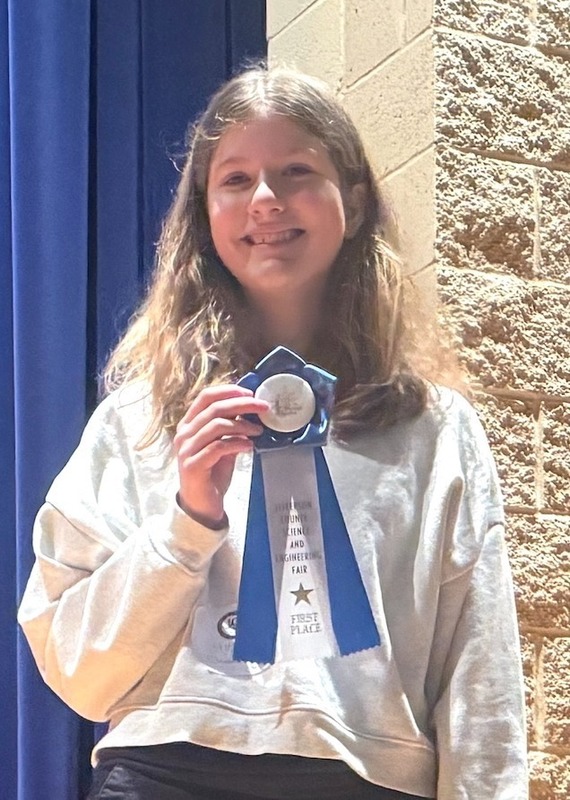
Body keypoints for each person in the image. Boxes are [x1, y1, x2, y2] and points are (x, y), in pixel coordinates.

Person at [18, 65, 528, 799]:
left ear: (352, 202)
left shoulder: (435, 428)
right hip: (165, 769)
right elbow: (77, 672)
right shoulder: (138, 420)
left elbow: (482, 676)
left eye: (296, 171)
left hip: (368, 776)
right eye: (235, 179)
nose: (265, 200)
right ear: (204, 211)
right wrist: (185, 525)